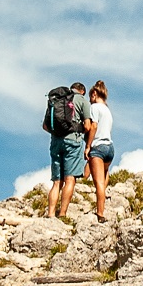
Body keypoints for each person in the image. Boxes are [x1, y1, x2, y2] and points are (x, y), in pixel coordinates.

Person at [44, 82, 91, 218]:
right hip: (72, 142)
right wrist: (77, 128)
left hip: (55, 142)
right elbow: (88, 126)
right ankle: (62, 214)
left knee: (57, 182)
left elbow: (45, 126)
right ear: (82, 91)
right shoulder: (82, 101)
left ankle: (50, 213)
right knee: (70, 179)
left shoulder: (56, 99)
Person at [85, 81, 115, 220]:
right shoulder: (107, 110)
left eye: (90, 96)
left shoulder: (94, 107)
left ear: (94, 94)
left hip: (98, 146)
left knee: (99, 183)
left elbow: (94, 126)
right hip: (110, 147)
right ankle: (101, 198)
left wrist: (88, 145)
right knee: (103, 174)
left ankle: (100, 213)